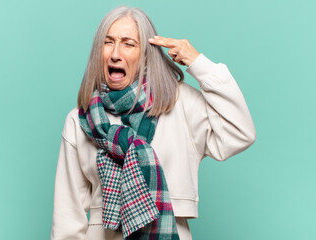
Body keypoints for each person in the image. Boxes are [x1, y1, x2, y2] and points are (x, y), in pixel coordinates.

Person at [51, 6, 256, 240]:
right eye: (108, 42)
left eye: (128, 44)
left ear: (146, 54)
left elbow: (240, 133)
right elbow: (67, 218)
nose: (115, 53)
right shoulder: (80, 120)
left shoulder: (180, 104)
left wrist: (199, 64)